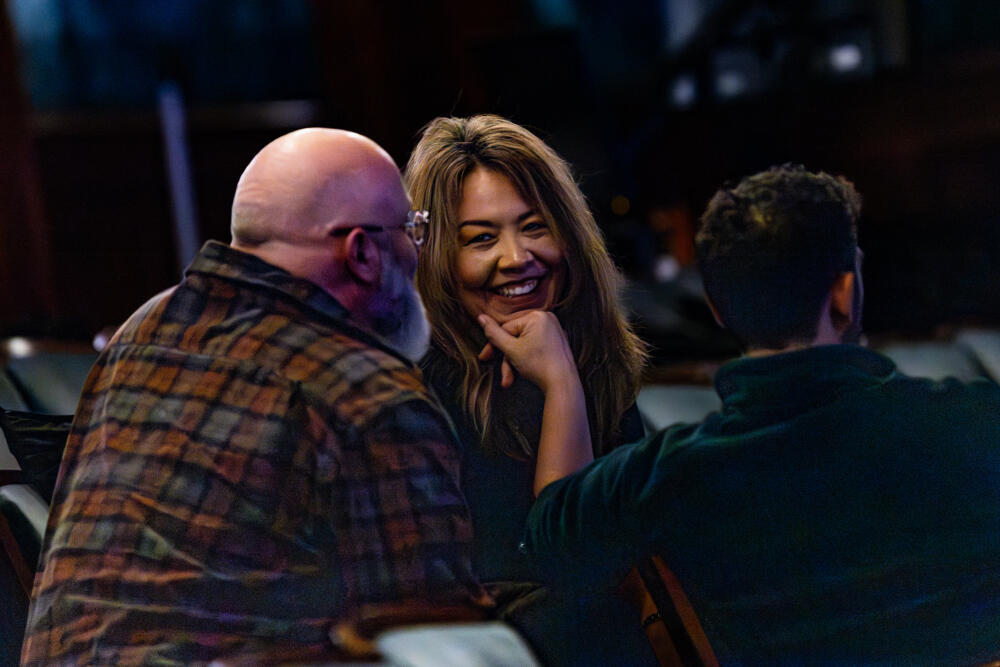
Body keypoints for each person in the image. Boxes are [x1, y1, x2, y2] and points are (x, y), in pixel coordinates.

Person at [21, 128, 492, 665]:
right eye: (412, 229)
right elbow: (439, 636)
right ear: (362, 251)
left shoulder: (141, 330)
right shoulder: (367, 392)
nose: (417, 251)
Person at [518, 164, 1000, 663]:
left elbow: (551, 542)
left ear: (717, 307)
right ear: (843, 292)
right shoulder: (977, 421)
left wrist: (559, 381)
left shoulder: (666, 475)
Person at [404, 115, 651, 664]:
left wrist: (563, 372)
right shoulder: (415, 387)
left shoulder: (596, 355)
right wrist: (562, 386)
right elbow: (571, 561)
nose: (517, 258)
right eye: (481, 239)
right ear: (439, 258)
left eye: (535, 227)